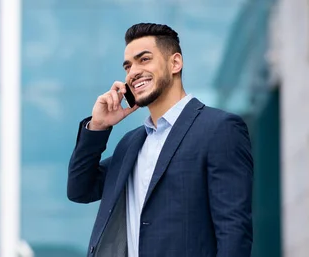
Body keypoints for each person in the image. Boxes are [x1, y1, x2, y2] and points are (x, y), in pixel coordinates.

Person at [67, 23, 253, 257]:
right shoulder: (131, 144)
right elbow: (80, 189)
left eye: (143, 59)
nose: (132, 72)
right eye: (128, 66)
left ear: (175, 63)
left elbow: (234, 230)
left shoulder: (219, 129)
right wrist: (98, 126)